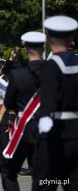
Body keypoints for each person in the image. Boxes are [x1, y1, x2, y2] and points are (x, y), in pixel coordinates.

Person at [33, 15, 78, 191]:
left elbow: (50, 95)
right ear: (71, 39)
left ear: (48, 39)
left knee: (45, 184)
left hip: (56, 136)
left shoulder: (50, 67)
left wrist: (45, 118)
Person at [0, 31, 46, 191]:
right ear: (43, 47)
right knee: (42, 174)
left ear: (25, 48)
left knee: (8, 171)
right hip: (47, 128)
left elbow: (8, 102)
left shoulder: (18, 73)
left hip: (23, 130)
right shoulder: (53, 70)